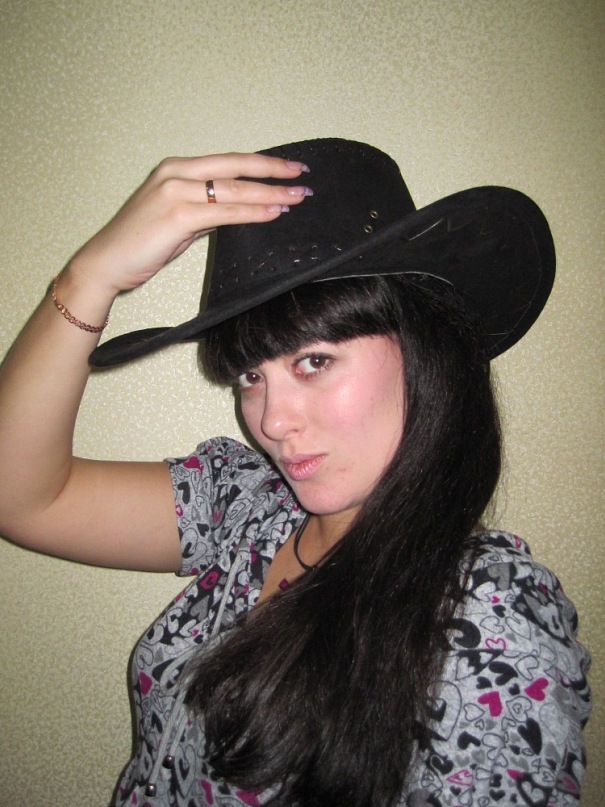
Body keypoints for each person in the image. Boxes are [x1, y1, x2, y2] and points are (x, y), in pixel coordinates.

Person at [0, 139, 591, 806]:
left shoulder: (488, 622)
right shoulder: (247, 508)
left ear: (421, 349)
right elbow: (22, 497)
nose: (271, 421)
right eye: (250, 376)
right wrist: (90, 278)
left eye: (313, 361)